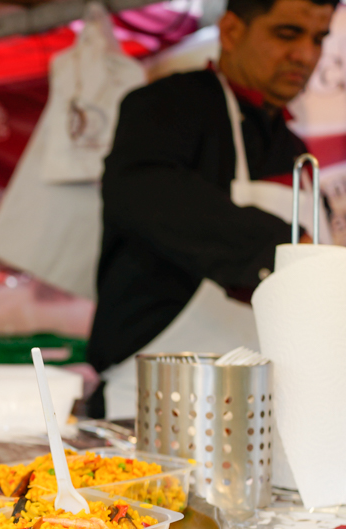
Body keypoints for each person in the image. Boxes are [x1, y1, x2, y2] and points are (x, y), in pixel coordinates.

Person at [88, 0, 335, 419]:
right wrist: (284, 251)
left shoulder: (293, 150)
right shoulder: (167, 106)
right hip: (157, 404)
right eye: (287, 34)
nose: (306, 55)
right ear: (232, 31)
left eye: (318, 39)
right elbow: (141, 191)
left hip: (260, 408)